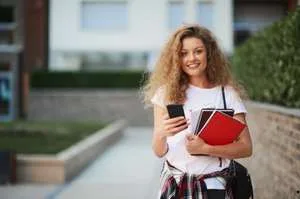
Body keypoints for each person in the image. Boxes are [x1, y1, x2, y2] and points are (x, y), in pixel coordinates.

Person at [142, 24, 253, 199]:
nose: (191, 58)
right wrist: (161, 133)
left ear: (209, 53)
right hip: (175, 186)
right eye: (183, 53)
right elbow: (158, 151)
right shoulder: (165, 94)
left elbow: (246, 147)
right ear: (175, 57)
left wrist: (206, 148)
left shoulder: (227, 95)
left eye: (198, 51)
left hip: (214, 186)